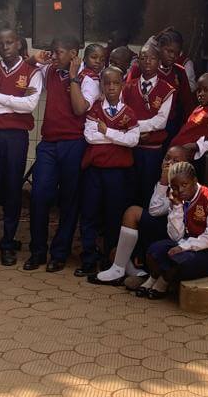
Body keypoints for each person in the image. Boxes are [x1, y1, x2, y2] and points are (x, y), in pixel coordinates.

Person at [26, 35, 99, 273]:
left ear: (73, 54)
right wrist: (36, 57)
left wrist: (74, 77)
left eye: (58, 52)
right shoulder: (51, 71)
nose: (54, 56)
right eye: (52, 52)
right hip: (49, 144)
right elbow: (29, 64)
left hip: (73, 144)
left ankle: (59, 253)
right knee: (39, 196)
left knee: (69, 201)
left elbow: (80, 109)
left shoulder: (89, 78)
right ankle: (37, 250)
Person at [0, 28, 42, 267]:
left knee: (13, 189)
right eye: (0, 44)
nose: (5, 47)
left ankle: (9, 242)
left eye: (9, 42)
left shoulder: (32, 72)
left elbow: (29, 105)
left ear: (19, 43)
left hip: (16, 138)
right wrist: (14, 104)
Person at [89, 145, 191, 287]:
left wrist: (163, 182)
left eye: (175, 160)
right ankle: (136, 274)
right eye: (167, 158)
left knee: (133, 212)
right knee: (115, 253)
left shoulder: (185, 185)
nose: (169, 163)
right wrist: (137, 250)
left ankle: (125, 272)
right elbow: (148, 215)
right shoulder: (155, 178)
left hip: (173, 236)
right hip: (153, 233)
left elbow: (155, 211)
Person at [138, 161, 208, 300]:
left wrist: (184, 247)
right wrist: (177, 208)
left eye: (184, 185)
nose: (180, 190)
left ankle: (164, 282)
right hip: (184, 243)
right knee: (153, 251)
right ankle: (154, 277)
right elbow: (176, 236)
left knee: (180, 261)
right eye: (175, 187)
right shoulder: (176, 197)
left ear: (194, 181)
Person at [80, 67, 140, 275]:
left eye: (116, 83)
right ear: (102, 87)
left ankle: (111, 259)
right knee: (89, 213)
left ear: (122, 85)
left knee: (114, 215)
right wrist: (118, 136)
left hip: (117, 173)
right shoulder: (95, 109)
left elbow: (133, 140)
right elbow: (90, 137)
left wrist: (107, 131)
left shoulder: (129, 112)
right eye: (107, 84)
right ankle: (88, 258)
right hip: (95, 170)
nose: (112, 87)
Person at [122, 44, 173, 206]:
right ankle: (126, 229)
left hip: (152, 151)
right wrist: (134, 133)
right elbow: (122, 115)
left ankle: (144, 228)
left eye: (152, 58)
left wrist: (135, 128)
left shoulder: (167, 89)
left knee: (148, 191)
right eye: (143, 58)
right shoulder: (128, 86)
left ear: (159, 62)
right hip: (130, 148)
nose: (147, 62)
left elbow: (161, 121)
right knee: (128, 190)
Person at [169, 72, 208, 162]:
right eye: (199, 90)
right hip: (177, 155)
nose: (201, 94)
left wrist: (195, 145)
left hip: (189, 159)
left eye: (206, 90)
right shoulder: (199, 108)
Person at [155, 27, 196, 92]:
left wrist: (178, 86)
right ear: (159, 47)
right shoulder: (149, 66)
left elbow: (189, 91)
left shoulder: (180, 71)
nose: (173, 56)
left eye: (177, 53)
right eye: (169, 51)